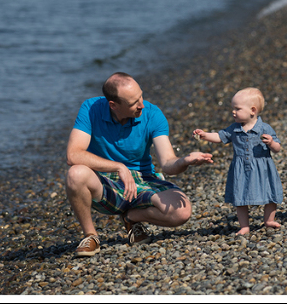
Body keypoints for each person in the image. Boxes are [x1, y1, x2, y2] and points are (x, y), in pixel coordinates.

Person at [65, 72, 214, 257]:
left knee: (181, 213)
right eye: (134, 102)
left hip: (142, 179)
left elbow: (167, 163)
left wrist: (185, 161)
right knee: (75, 173)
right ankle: (91, 236)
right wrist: (119, 167)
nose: (141, 104)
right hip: (104, 183)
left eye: (141, 96)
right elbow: (73, 154)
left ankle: (131, 217)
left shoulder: (152, 114)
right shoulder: (90, 108)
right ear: (113, 105)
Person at [193, 87, 283, 235]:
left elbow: (277, 148)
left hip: (263, 168)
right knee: (240, 197)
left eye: (237, 108)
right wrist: (204, 135)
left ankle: (269, 220)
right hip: (241, 168)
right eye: (233, 108)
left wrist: (271, 143)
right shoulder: (234, 129)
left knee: (270, 193)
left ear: (252, 110)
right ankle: (244, 226)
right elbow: (219, 136)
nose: (233, 112)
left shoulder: (264, 128)